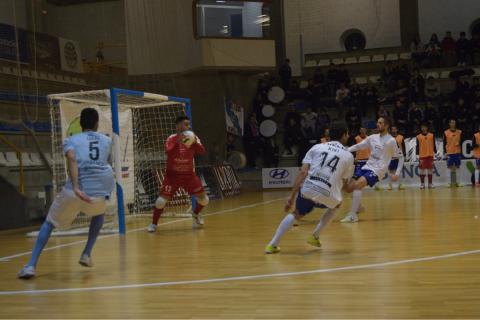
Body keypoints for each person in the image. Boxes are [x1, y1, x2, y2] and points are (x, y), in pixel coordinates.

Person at [18, 108, 115, 279]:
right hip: (99, 193)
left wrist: (77, 187)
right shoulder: (107, 140)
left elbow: (72, 158)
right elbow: (107, 163)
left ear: (80, 124)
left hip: (75, 193)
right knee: (99, 213)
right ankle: (86, 252)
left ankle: (31, 266)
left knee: (49, 223)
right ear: (97, 123)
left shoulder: (71, 140)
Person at [264, 127, 354, 254]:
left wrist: (292, 196)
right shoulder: (348, 156)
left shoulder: (317, 147)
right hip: (328, 194)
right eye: (347, 134)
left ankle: (272, 244)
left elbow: (303, 172)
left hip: (308, 189)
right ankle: (315, 236)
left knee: (297, 214)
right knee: (337, 204)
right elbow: (345, 184)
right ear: (344, 135)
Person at [147, 116, 208, 232]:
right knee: (160, 202)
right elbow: (168, 152)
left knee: (205, 200)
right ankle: (154, 224)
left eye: (188, 124)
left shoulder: (193, 137)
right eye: (185, 124)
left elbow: (202, 151)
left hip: (189, 175)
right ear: (178, 125)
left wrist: (194, 142)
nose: (188, 127)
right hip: (172, 176)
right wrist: (179, 142)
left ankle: (195, 213)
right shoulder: (171, 138)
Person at [340, 117, 399, 223]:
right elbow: (359, 146)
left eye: (380, 123)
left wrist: (396, 172)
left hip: (378, 170)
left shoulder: (391, 140)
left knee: (358, 185)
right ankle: (358, 207)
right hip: (367, 166)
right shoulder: (372, 137)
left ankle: (353, 215)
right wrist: (346, 150)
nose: (377, 124)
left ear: (386, 126)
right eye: (377, 122)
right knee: (348, 188)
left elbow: (400, 157)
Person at [416, 123, 437, 189]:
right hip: (422, 156)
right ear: (421, 128)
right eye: (422, 127)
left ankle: (430, 184)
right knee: (422, 170)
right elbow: (417, 146)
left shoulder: (431, 135)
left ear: (427, 127)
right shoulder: (418, 136)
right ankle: (422, 184)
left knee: (430, 170)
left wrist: (435, 152)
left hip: (430, 155)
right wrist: (417, 155)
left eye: (425, 127)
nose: (423, 128)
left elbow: (434, 144)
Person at [443, 119, 463, 188]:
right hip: (449, 152)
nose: (453, 124)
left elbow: (461, 141)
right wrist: (445, 152)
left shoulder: (459, 132)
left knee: (458, 167)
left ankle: (458, 182)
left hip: (457, 152)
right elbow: (444, 143)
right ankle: (448, 183)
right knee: (449, 167)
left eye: (454, 123)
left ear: (455, 124)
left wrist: (459, 143)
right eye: (451, 123)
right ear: (449, 124)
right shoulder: (446, 132)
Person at [387, 125, 406, 191]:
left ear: (397, 130)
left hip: (399, 157)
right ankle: (390, 185)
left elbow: (403, 147)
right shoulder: (388, 138)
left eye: (395, 129)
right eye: (392, 129)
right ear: (391, 130)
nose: (394, 130)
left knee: (399, 171)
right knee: (391, 172)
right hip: (391, 157)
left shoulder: (401, 137)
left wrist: (404, 156)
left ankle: (400, 184)